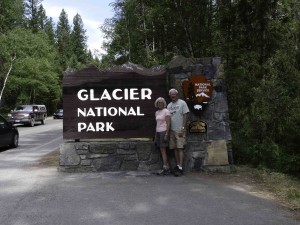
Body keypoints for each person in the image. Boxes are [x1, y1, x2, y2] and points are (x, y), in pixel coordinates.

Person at [167, 88, 189, 176]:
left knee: (180, 148)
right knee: (175, 148)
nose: (173, 96)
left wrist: (183, 128)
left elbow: (186, 115)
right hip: (172, 130)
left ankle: (180, 167)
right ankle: (177, 165)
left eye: (174, 94)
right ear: (170, 95)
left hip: (180, 129)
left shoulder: (182, 103)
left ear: (177, 94)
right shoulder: (168, 105)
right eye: (171, 94)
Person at [154, 97, 171, 175]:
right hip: (158, 132)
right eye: (158, 103)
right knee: (161, 150)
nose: (160, 104)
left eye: (161, 102)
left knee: (163, 150)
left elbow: (168, 123)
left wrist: (167, 134)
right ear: (157, 104)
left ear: (164, 103)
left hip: (164, 132)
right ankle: (166, 166)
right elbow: (157, 124)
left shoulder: (166, 111)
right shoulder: (157, 112)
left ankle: (165, 167)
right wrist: (155, 134)